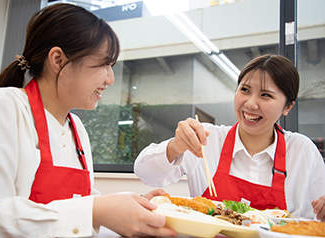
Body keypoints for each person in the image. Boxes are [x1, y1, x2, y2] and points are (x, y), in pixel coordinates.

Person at [0, 4, 176, 238]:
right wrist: (94, 210)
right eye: (104, 65)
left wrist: (135, 206)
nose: (110, 79)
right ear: (58, 60)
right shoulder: (4, 107)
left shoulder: (77, 128)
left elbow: (83, 205)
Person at [134, 54, 325, 221]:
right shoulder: (207, 139)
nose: (250, 104)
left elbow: (313, 221)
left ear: (287, 107)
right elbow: (144, 172)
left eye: (265, 95)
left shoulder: (302, 151)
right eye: (245, 90)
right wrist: (175, 146)